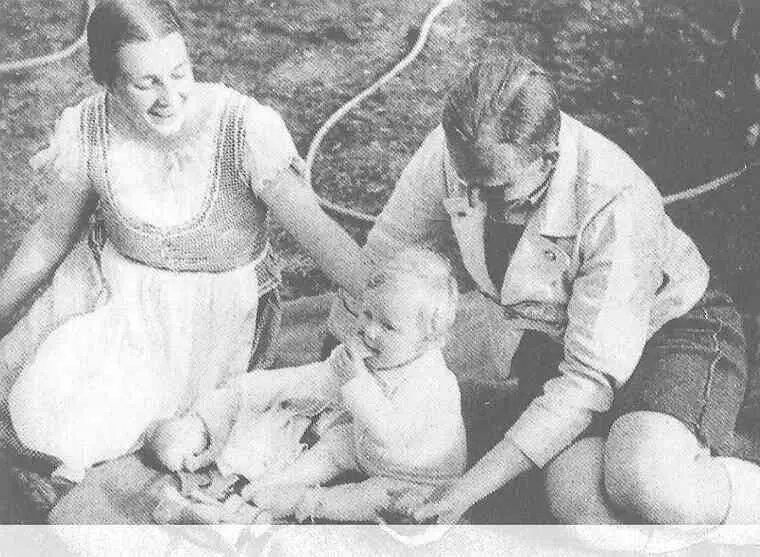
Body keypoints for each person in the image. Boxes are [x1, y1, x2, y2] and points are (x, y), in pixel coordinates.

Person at [328, 50, 760, 525]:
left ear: (548, 158)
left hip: (670, 330)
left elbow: (589, 376)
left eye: (496, 190)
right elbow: (382, 262)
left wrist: (465, 490)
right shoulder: (457, 152)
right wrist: (337, 370)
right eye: (467, 182)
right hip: (561, 344)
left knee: (645, 481)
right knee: (577, 502)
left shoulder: (614, 198)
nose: (476, 201)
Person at [0, 0, 365, 507]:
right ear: (108, 80)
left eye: (179, 72)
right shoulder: (89, 127)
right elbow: (48, 238)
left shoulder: (243, 129)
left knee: (162, 437)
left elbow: (321, 237)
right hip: (112, 296)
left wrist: (379, 301)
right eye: (146, 83)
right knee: (41, 411)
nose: (169, 97)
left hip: (207, 319)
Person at [151, 248, 467, 522]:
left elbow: (390, 435)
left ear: (429, 342)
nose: (369, 331)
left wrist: (355, 382)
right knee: (335, 444)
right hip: (364, 447)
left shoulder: (431, 383)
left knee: (380, 498)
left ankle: (307, 502)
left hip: (414, 474)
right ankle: (268, 486)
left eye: (388, 326)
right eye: (368, 313)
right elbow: (311, 380)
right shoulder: (368, 356)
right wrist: (243, 390)